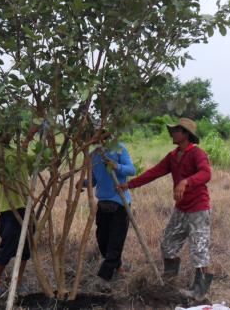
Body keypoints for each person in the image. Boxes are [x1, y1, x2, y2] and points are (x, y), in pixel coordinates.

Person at [118, 117, 213, 299]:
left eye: (176, 131)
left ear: (186, 134)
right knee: (168, 243)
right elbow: (154, 172)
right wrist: (129, 185)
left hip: (199, 208)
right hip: (182, 208)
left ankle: (199, 290)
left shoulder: (197, 154)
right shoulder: (173, 156)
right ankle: (170, 280)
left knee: (199, 248)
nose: (172, 133)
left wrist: (186, 182)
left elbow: (206, 173)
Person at [0, 126, 39, 296]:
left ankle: (18, 279)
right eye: (6, 130)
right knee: (8, 245)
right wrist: (28, 139)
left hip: (26, 205)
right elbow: (14, 162)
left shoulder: (16, 152)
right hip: (10, 208)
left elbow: (35, 160)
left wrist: (47, 148)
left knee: (26, 247)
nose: (10, 133)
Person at [85, 140, 136, 283]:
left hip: (120, 203)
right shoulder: (93, 155)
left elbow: (132, 170)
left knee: (115, 241)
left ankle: (103, 278)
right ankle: (118, 266)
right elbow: (94, 180)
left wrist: (116, 166)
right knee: (102, 240)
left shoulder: (119, 148)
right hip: (103, 203)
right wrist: (83, 183)